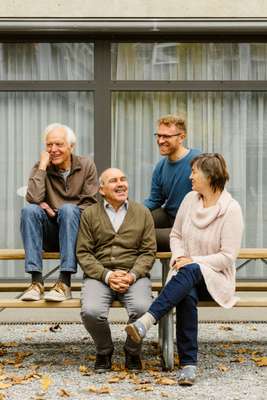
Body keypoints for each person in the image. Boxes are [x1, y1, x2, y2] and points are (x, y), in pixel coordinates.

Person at [126, 153, 244, 385]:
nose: (190, 177)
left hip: (216, 281)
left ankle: (147, 320)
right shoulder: (190, 200)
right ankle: (188, 366)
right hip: (186, 277)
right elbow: (176, 235)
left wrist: (192, 260)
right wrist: (180, 256)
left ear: (210, 176)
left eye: (194, 172)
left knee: (191, 270)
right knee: (186, 294)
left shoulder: (230, 209)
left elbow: (227, 257)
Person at [76, 168, 156, 372]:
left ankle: (132, 351)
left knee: (143, 309)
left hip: (134, 276)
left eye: (123, 179)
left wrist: (132, 275)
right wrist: (107, 275)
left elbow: (148, 252)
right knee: (91, 312)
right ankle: (104, 351)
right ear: (101, 190)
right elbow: (84, 253)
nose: (121, 184)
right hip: (100, 275)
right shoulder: (90, 213)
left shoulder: (142, 213)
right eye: (113, 181)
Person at [20, 123, 98, 302]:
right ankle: (36, 282)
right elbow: (32, 197)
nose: (53, 149)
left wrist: (56, 209)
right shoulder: (42, 166)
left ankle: (64, 282)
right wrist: (42, 168)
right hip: (49, 233)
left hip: (77, 233)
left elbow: (90, 205)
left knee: (69, 210)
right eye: (49, 145)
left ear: (71, 146)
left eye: (59, 144)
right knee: (29, 211)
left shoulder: (86, 166)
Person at [144, 114, 200, 251]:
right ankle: (116, 272)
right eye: (158, 135)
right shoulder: (160, 166)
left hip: (191, 227)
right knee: (132, 225)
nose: (160, 140)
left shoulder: (199, 161)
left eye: (166, 136)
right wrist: (128, 213)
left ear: (181, 137)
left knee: (139, 236)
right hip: (169, 217)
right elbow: (154, 200)